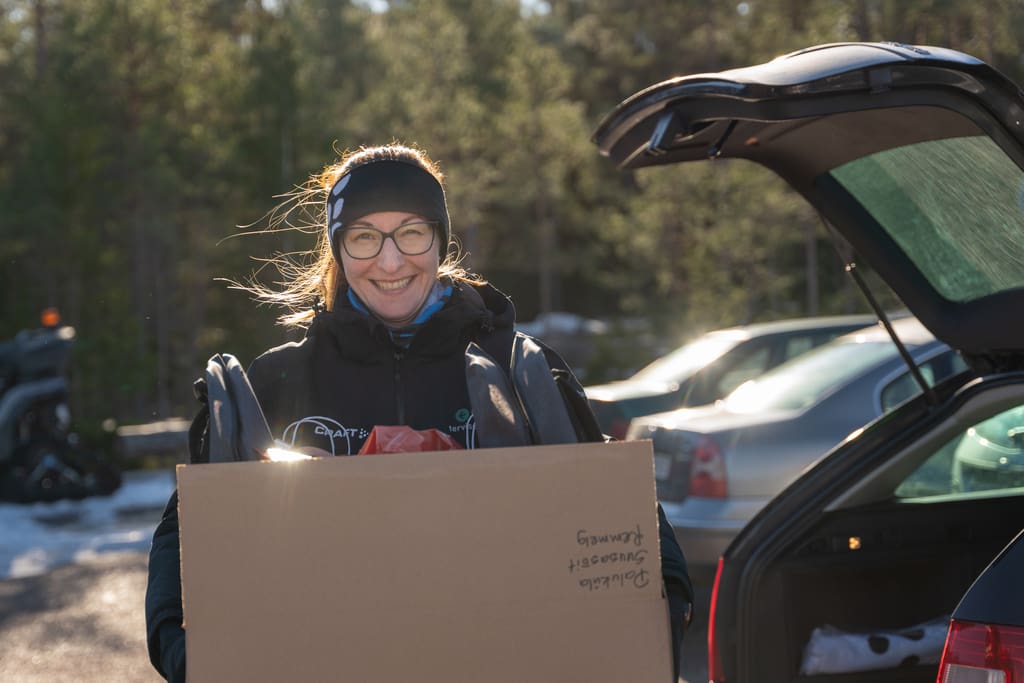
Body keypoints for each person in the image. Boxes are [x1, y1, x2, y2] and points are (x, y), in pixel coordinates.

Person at [145, 143, 694, 681]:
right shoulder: (277, 382)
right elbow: (191, 522)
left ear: (439, 240)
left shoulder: (518, 372)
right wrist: (176, 642)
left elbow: (610, 494)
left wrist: (663, 608)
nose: (390, 261)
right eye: (364, 237)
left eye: (411, 232)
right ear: (338, 249)